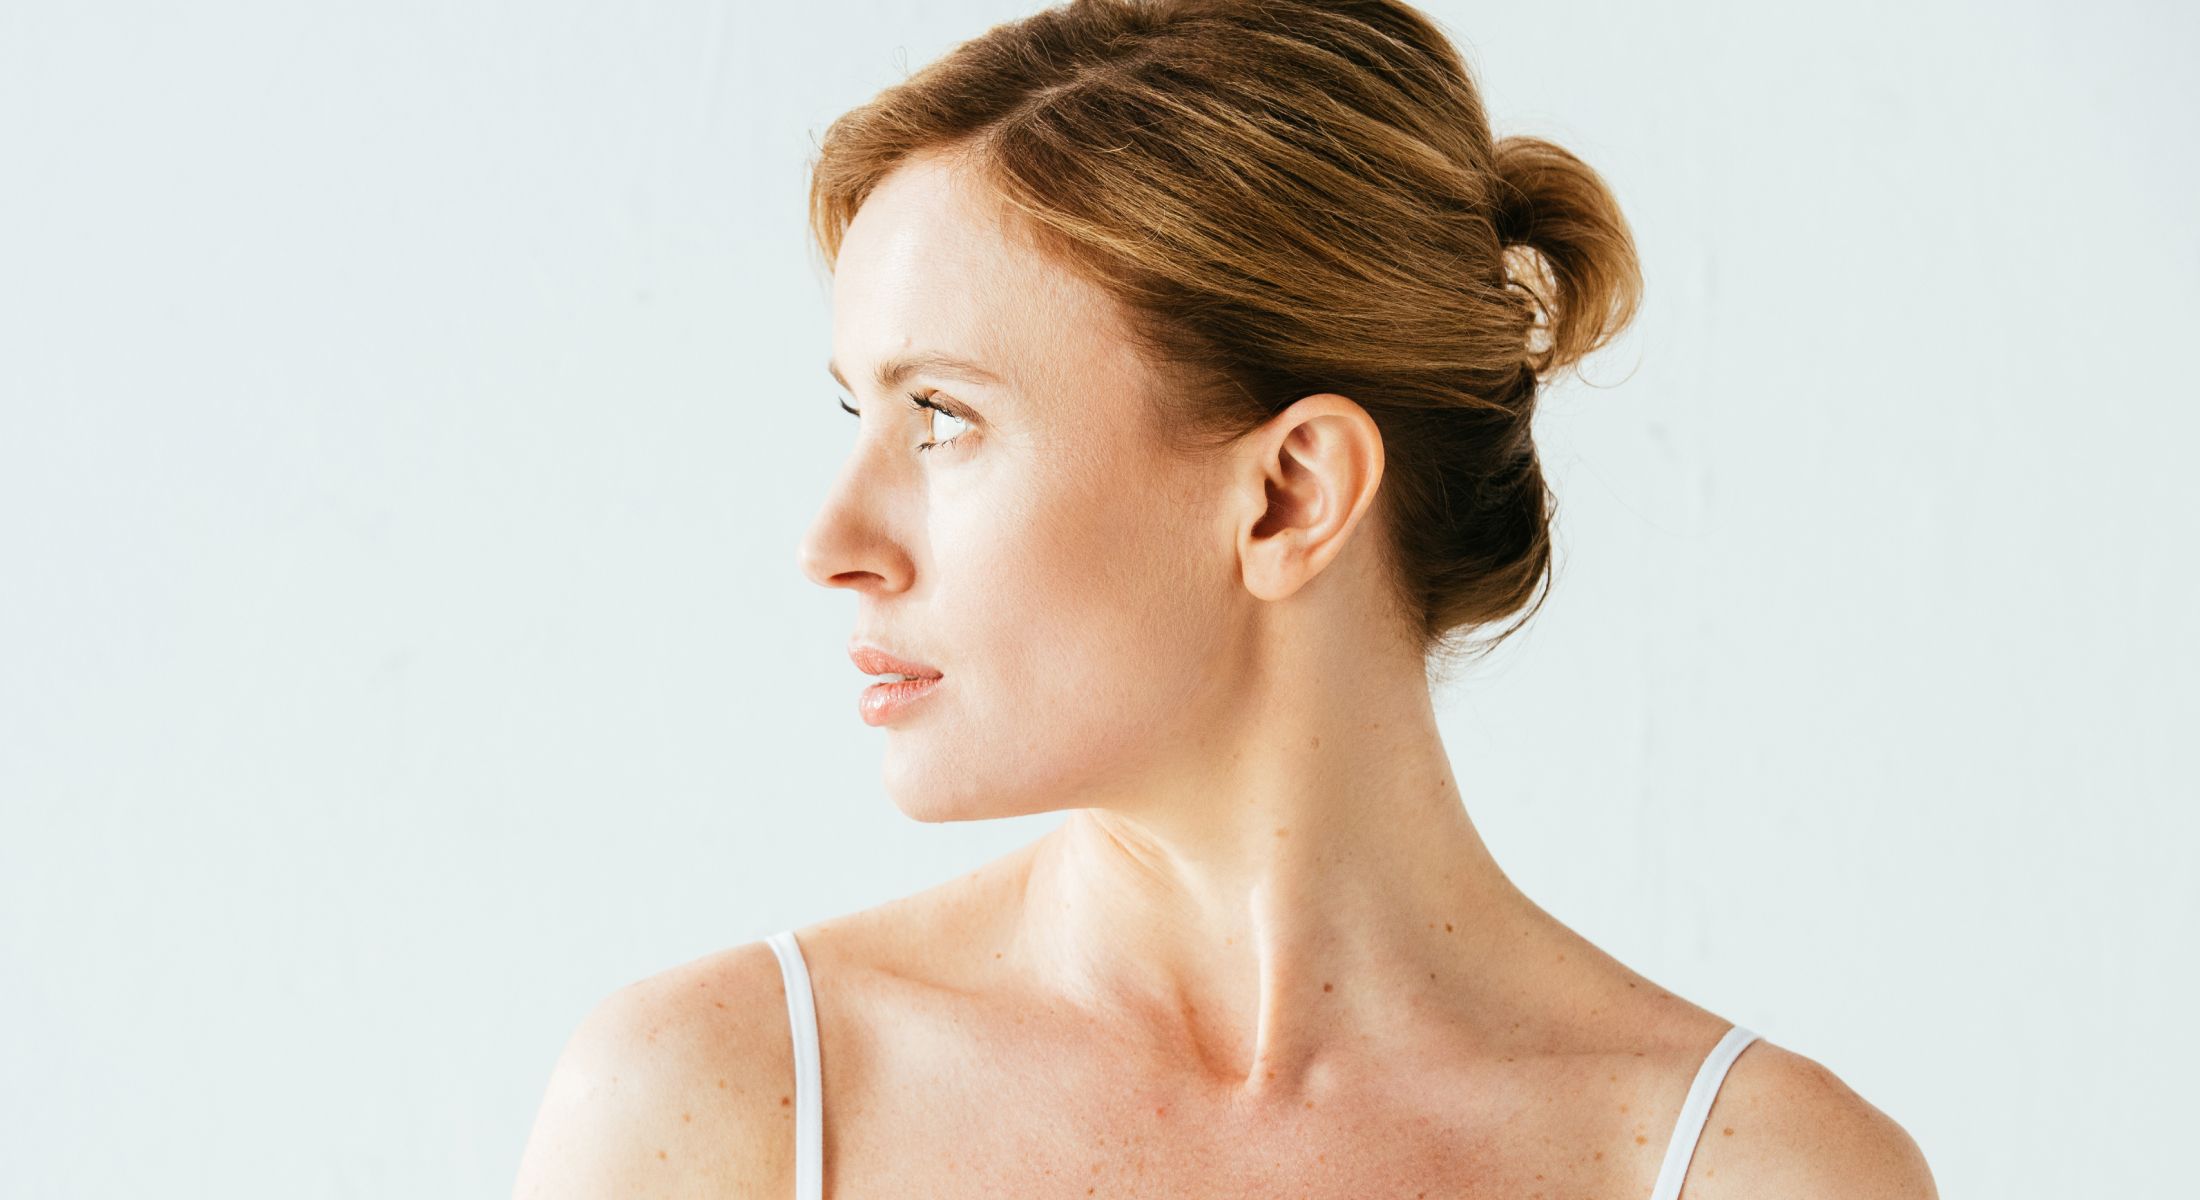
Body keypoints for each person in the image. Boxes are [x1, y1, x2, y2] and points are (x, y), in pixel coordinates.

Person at [514, 2, 1937, 1196]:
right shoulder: (719, 1109)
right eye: (857, 413)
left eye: (942, 416)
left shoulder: (1752, 1174)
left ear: (1289, 495)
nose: (832, 542)